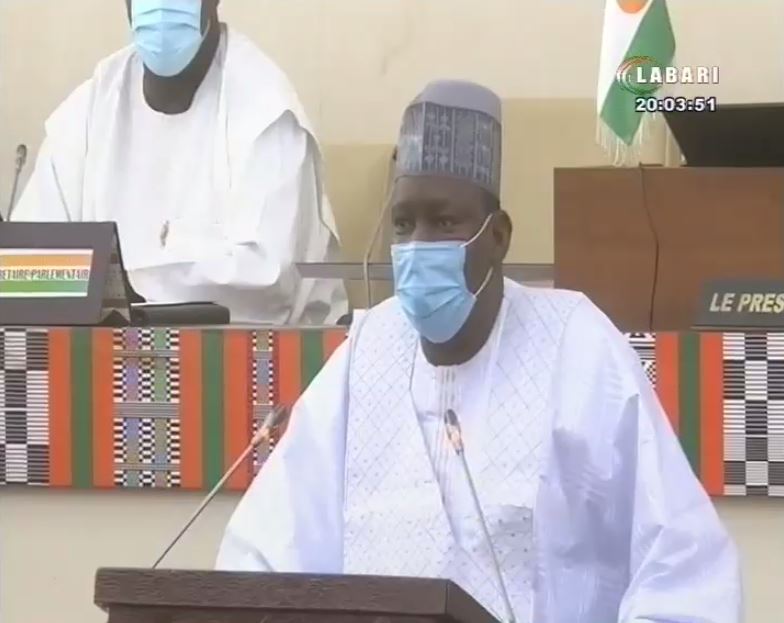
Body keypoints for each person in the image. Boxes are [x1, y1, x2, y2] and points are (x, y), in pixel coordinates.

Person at [216, 80, 742, 623]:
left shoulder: (574, 345)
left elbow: (683, 569)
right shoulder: (366, 351)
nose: (419, 245)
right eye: (404, 224)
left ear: (498, 237)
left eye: (445, 223)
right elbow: (267, 554)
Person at [12, 0, 348, 325]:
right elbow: (23, 274)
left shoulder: (266, 111)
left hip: (262, 354)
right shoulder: (89, 108)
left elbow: (268, 283)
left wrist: (117, 287)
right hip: (106, 354)